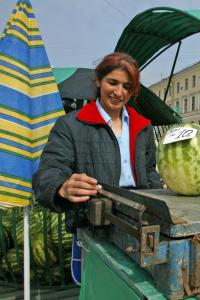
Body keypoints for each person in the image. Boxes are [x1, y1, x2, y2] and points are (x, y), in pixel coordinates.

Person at [32, 52, 162, 282]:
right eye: (112, 82)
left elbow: (151, 172)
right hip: (94, 225)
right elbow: (48, 170)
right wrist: (61, 186)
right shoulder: (71, 125)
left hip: (139, 226)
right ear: (99, 80)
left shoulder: (144, 127)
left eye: (127, 86)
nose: (118, 92)